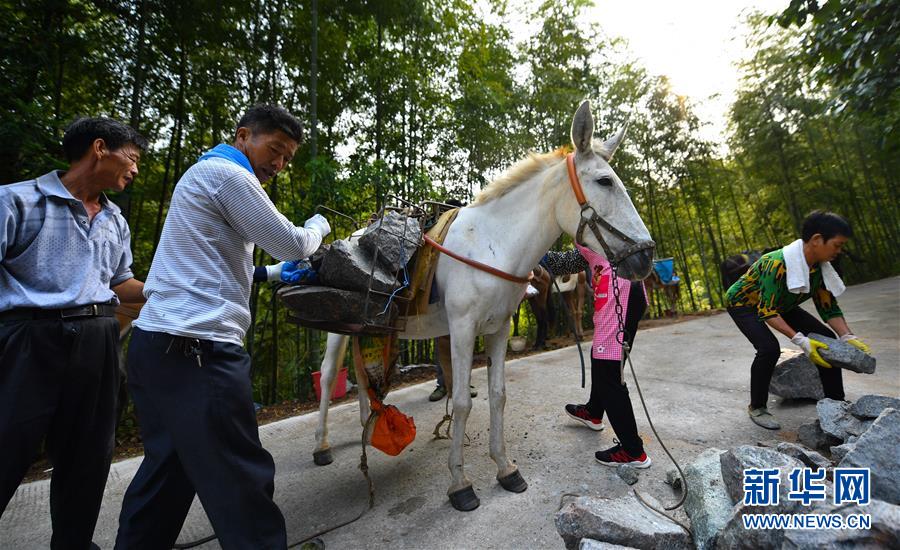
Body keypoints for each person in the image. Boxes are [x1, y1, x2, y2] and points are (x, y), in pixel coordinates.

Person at [115, 105, 330, 549]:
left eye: (287, 158)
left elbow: (218, 266)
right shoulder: (229, 176)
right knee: (239, 474)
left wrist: (274, 275)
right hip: (199, 350)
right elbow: (290, 243)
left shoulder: (200, 176)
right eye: (275, 150)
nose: (279, 164)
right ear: (243, 135)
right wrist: (318, 228)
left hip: (156, 346)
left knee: (167, 474)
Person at [0, 117, 147, 549]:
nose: (135, 170)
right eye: (132, 159)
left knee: (89, 456)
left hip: (99, 339)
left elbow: (121, 283)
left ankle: (73, 543)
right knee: (7, 445)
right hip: (30, 339)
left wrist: (171, 288)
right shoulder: (16, 201)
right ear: (100, 148)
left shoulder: (115, 219)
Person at [726, 210, 870, 430]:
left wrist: (847, 336)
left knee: (828, 338)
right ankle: (757, 407)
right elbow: (767, 311)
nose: (839, 251)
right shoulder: (775, 264)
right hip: (744, 304)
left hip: (782, 304)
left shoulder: (820, 268)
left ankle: (836, 403)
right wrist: (801, 341)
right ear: (816, 240)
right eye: (837, 245)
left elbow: (828, 307)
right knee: (769, 349)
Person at [544, 244, 651, 468]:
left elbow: (566, 263)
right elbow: (578, 258)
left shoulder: (590, 214)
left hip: (617, 291)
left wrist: (537, 250)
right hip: (627, 288)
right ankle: (593, 411)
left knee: (609, 372)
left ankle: (633, 450)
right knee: (601, 357)